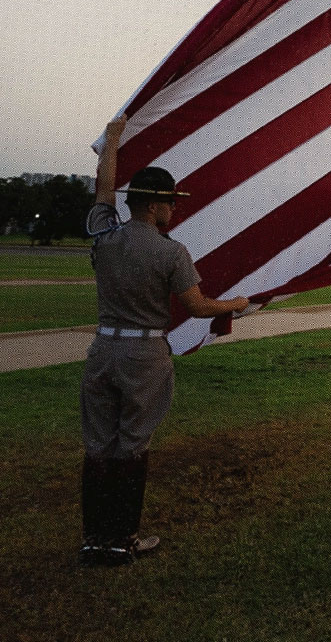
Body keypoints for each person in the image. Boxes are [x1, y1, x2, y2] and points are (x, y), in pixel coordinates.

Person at [80, 116, 253, 567]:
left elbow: (103, 191)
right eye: (170, 204)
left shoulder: (103, 234)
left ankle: (94, 538)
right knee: (132, 447)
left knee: (98, 447)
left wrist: (114, 140)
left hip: (102, 349)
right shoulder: (170, 252)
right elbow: (196, 307)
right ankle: (123, 540)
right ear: (155, 206)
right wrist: (235, 303)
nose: (173, 211)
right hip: (143, 355)